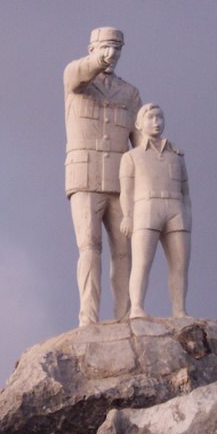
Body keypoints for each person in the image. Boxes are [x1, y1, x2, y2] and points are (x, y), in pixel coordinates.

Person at [64, 27, 142, 326]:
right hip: (84, 176)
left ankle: (125, 315)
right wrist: (98, 60)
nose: (112, 54)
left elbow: (141, 142)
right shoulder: (76, 81)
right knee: (89, 247)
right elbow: (77, 73)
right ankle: (89, 318)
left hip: (120, 182)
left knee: (125, 252)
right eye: (106, 48)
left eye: (117, 49)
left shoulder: (129, 93)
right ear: (91, 48)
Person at [120, 103, 191, 319]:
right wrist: (128, 215)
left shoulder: (176, 155)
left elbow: (186, 191)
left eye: (160, 117)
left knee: (180, 266)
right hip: (146, 208)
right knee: (142, 262)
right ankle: (137, 307)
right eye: (150, 118)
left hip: (175, 209)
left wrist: (187, 215)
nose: (156, 122)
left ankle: (179, 309)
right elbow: (126, 191)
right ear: (139, 124)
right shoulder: (131, 157)